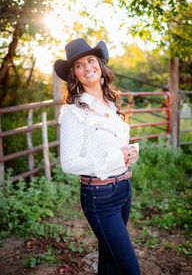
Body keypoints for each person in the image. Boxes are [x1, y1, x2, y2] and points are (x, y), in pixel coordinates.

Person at [54, 38, 140, 275]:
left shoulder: (111, 105)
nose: (86, 67)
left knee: (110, 259)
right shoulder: (74, 112)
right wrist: (114, 158)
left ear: (101, 66)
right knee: (131, 270)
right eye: (78, 65)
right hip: (99, 196)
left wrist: (129, 152)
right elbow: (69, 163)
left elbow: (112, 145)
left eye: (91, 60)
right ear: (74, 75)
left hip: (124, 188)